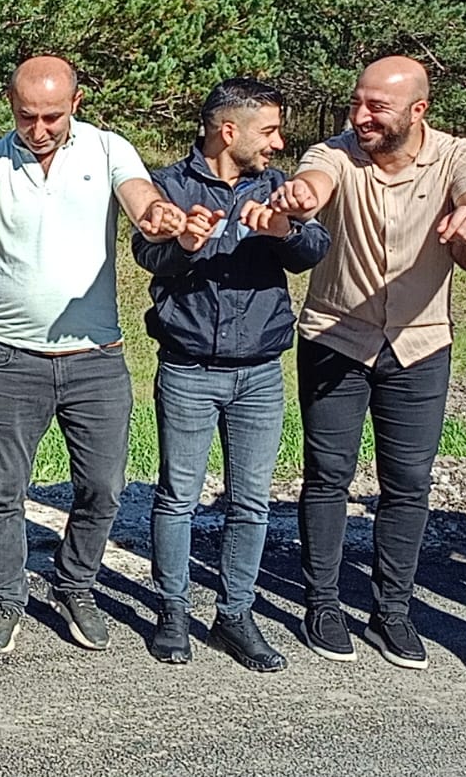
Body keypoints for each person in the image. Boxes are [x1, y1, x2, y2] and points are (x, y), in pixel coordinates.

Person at [0, 55, 186, 655]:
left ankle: (75, 583)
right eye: (26, 116)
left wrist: (159, 216)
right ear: (11, 106)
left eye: (52, 117)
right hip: (13, 356)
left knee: (103, 487)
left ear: (76, 103)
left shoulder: (108, 149)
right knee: (4, 488)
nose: (38, 129)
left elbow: (142, 203)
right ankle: (6, 597)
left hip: (97, 356)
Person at [268, 56, 466, 670]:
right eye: (356, 103)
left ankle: (393, 612)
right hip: (337, 337)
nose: (359, 117)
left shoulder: (455, 155)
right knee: (328, 475)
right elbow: (313, 182)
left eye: (375, 107)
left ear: (418, 111)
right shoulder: (334, 152)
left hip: (420, 344)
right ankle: (323, 603)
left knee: (408, 484)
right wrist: (300, 199)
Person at [132, 78, 330, 671]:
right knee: (178, 498)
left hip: (261, 373)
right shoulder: (168, 185)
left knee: (251, 502)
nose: (277, 142)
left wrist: (284, 230)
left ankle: (235, 614)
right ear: (229, 130)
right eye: (268, 130)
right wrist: (186, 242)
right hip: (189, 368)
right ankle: (172, 611)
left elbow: (312, 248)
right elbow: (149, 254)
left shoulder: (279, 188)